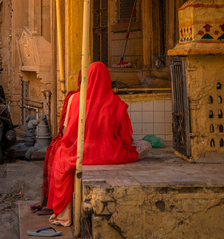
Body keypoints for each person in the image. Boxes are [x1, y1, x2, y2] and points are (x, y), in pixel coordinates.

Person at [47, 61, 151, 226]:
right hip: (111, 155)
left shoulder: (75, 100)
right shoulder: (116, 102)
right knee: (146, 146)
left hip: (79, 154)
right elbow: (125, 138)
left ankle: (65, 214)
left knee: (60, 154)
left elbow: (67, 133)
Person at [30, 73, 81, 214]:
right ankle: (46, 200)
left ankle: (49, 201)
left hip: (79, 145)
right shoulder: (113, 101)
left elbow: (66, 129)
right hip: (95, 146)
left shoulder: (75, 98)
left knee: (55, 153)